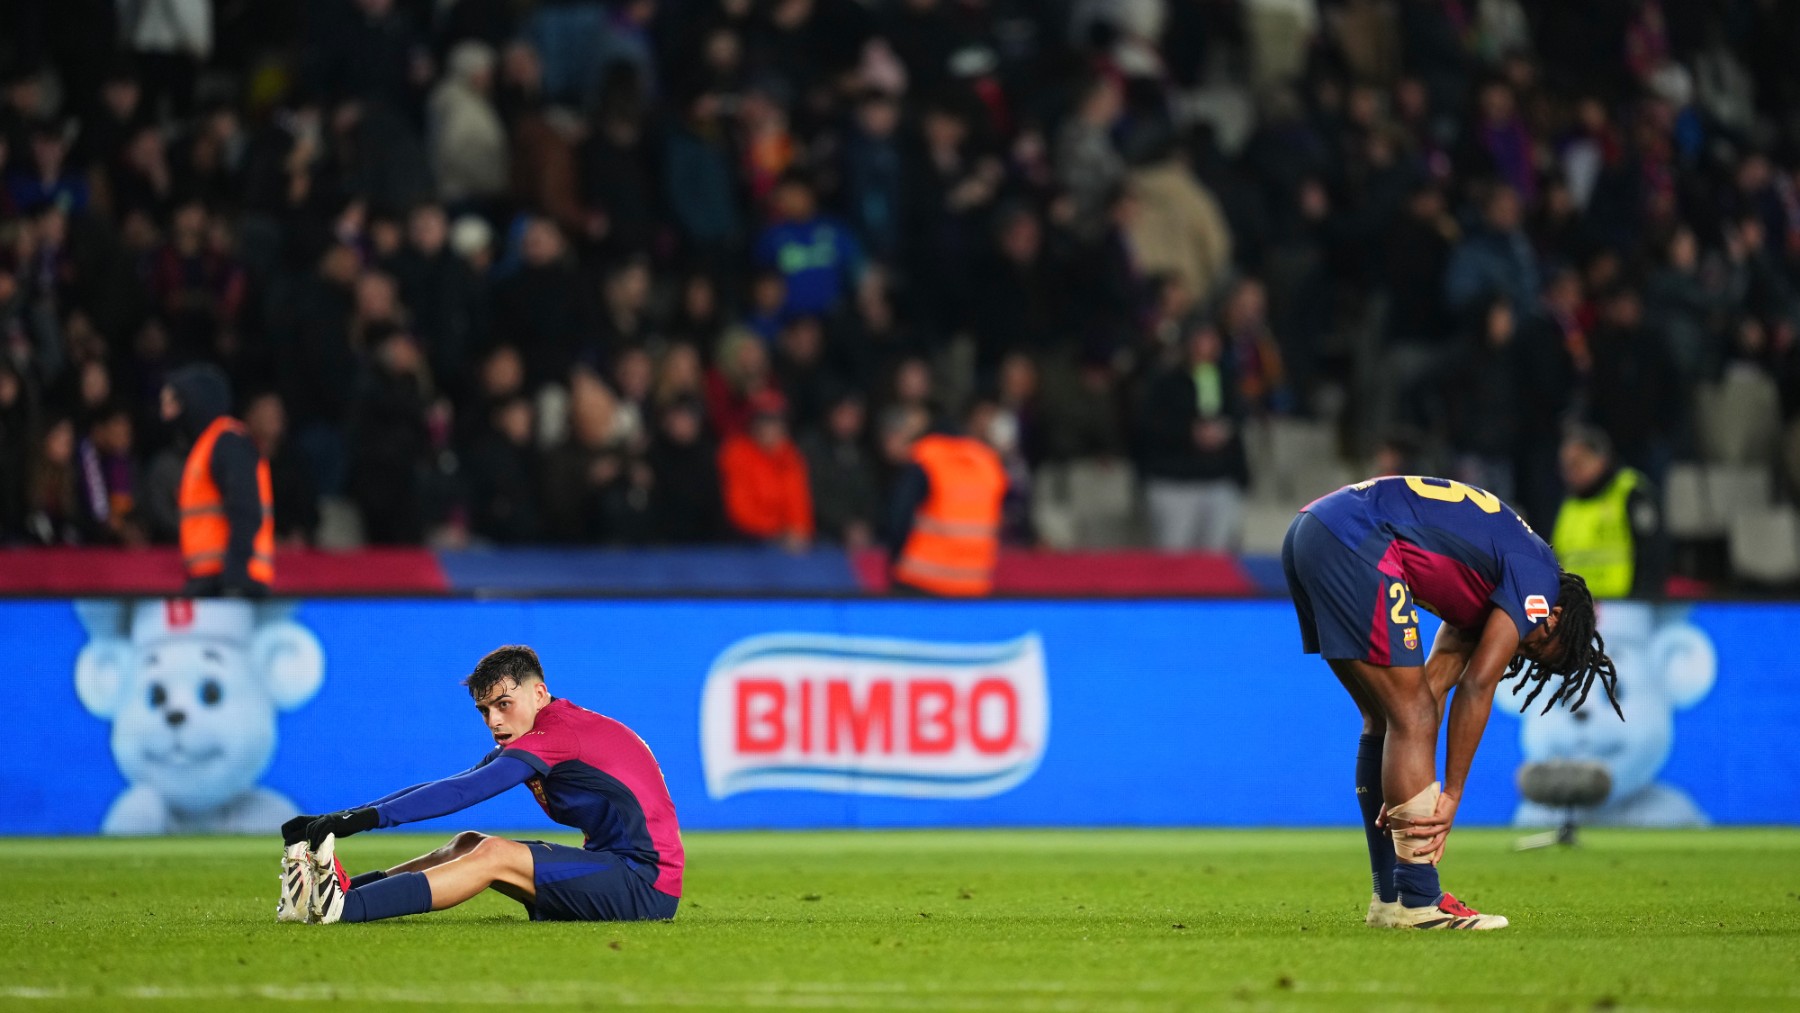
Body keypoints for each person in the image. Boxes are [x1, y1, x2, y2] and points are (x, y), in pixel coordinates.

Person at [1282, 475, 1618, 930]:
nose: (1522, 648)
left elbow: (1436, 686)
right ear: (1553, 615)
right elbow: (1478, 684)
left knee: (1387, 718)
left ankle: (1391, 897)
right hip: (1358, 539)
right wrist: (1450, 794)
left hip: (1313, 528)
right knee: (1409, 713)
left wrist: (1404, 788)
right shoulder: (1536, 580)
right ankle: (1421, 901)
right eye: (1536, 646)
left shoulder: (1490, 583)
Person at [277, 645, 683, 925]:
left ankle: (345, 909)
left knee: (493, 854)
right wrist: (338, 817)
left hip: (644, 884)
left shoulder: (558, 734)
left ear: (539, 693)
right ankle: (340, 891)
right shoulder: (540, 733)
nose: (493, 721)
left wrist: (359, 821)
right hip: (615, 869)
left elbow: (464, 793)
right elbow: (458, 781)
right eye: (485, 710)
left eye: (504, 704)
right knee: (466, 843)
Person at [163, 364, 273, 596]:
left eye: (177, 400)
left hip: (232, 583)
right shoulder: (208, 446)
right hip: (215, 580)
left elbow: (245, 509)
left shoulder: (227, 442)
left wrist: (235, 573)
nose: (169, 412)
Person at [886, 403, 1008, 597]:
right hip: (973, 584)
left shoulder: (925, 457)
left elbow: (899, 517)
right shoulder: (988, 462)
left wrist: (894, 562)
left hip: (921, 580)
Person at [1551, 426, 1666, 599]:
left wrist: (1644, 599)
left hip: (1627, 606)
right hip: (1580, 607)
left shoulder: (1629, 492)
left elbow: (1654, 555)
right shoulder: (1569, 504)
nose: (1570, 473)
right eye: (1565, 466)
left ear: (1600, 459)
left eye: (1577, 463)